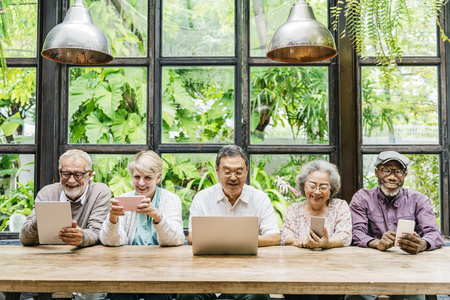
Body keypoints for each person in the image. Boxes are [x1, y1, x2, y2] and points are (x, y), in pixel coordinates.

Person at [178, 145, 280, 300]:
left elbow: (274, 237)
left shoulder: (260, 199)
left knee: (258, 296)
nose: (233, 177)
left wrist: (229, 242)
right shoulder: (202, 198)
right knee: (187, 295)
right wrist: (241, 242)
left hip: (249, 273)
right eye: (227, 171)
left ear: (246, 170)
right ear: (217, 170)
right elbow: (192, 237)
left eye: (238, 172)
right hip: (206, 272)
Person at [346, 151, 444, 300]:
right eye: (386, 170)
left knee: (415, 297)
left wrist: (422, 244)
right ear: (376, 172)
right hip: (369, 269)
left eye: (398, 172)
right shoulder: (362, 198)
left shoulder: (418, 200)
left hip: (409, 271)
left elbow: (434, 234)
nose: (392, 177)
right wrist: (376, 243)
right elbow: (356, 233)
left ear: (404, 176)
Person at [19, 149, 111, 300]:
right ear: (59, 172)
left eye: (78, 174)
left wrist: (81, 237)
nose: (71, 180)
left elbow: (97, 231)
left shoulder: (100, 192)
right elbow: (25, 239)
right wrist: (40, 219)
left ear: (89, 174)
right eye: (66, 173)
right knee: (21, 290)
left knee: (93, 295)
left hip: (87, 264)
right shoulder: (47, 193)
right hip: (48, 262)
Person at [100, 150, 184, 300]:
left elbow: (176, 239)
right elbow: (109, 242)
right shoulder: (124, 199)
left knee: (158, 296)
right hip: (127, 270)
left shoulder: (171, 200)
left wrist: (157, 216)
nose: (141, 183)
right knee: (122, 296)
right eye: (137, 177)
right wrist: (113, 218)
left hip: (162, 271)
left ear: (158, 178)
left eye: (148, 177)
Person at [281, 160, 351, 300]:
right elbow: (285, 235)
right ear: (303, 186)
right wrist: (299, 241)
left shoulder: (339, 207)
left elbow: (345, 235)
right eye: (312, 185)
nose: (317, 191)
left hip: (332, 272)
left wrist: (327, 243)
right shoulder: (294, 209)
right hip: (297, 273)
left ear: (331, 189)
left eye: (323, 187)